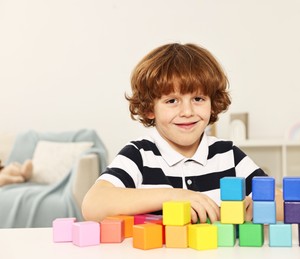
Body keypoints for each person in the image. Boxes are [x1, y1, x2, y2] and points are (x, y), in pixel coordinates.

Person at [82, 43, 283, 223]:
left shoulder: (228, 154)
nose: (187, 112)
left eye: (198, 99)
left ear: (212, 104)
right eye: (172, 101)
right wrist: (174, 196)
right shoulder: (139, 155)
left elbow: (281, 201)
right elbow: (93, 204)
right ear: (150, 108)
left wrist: (260, 206)